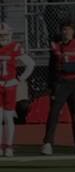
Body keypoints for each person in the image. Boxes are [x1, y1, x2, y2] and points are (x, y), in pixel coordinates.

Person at [42, 21, 75, 155]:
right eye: (64, 30)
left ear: (73, 32)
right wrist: (51, 86)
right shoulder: (56, 46)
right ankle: (48, 143)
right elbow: (51, 68)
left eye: (68, 30)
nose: (66, 32)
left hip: (74, 84)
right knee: (54, 114)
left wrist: (66, 67)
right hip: (60, 84)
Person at [0, 23, 35, 157]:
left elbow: (30, 64)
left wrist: (19, 79)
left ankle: (8, 146)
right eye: (1, 35)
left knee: (8, 117)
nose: (3, 37)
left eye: (4, 35)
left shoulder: (15, 47)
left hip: (9, 85)